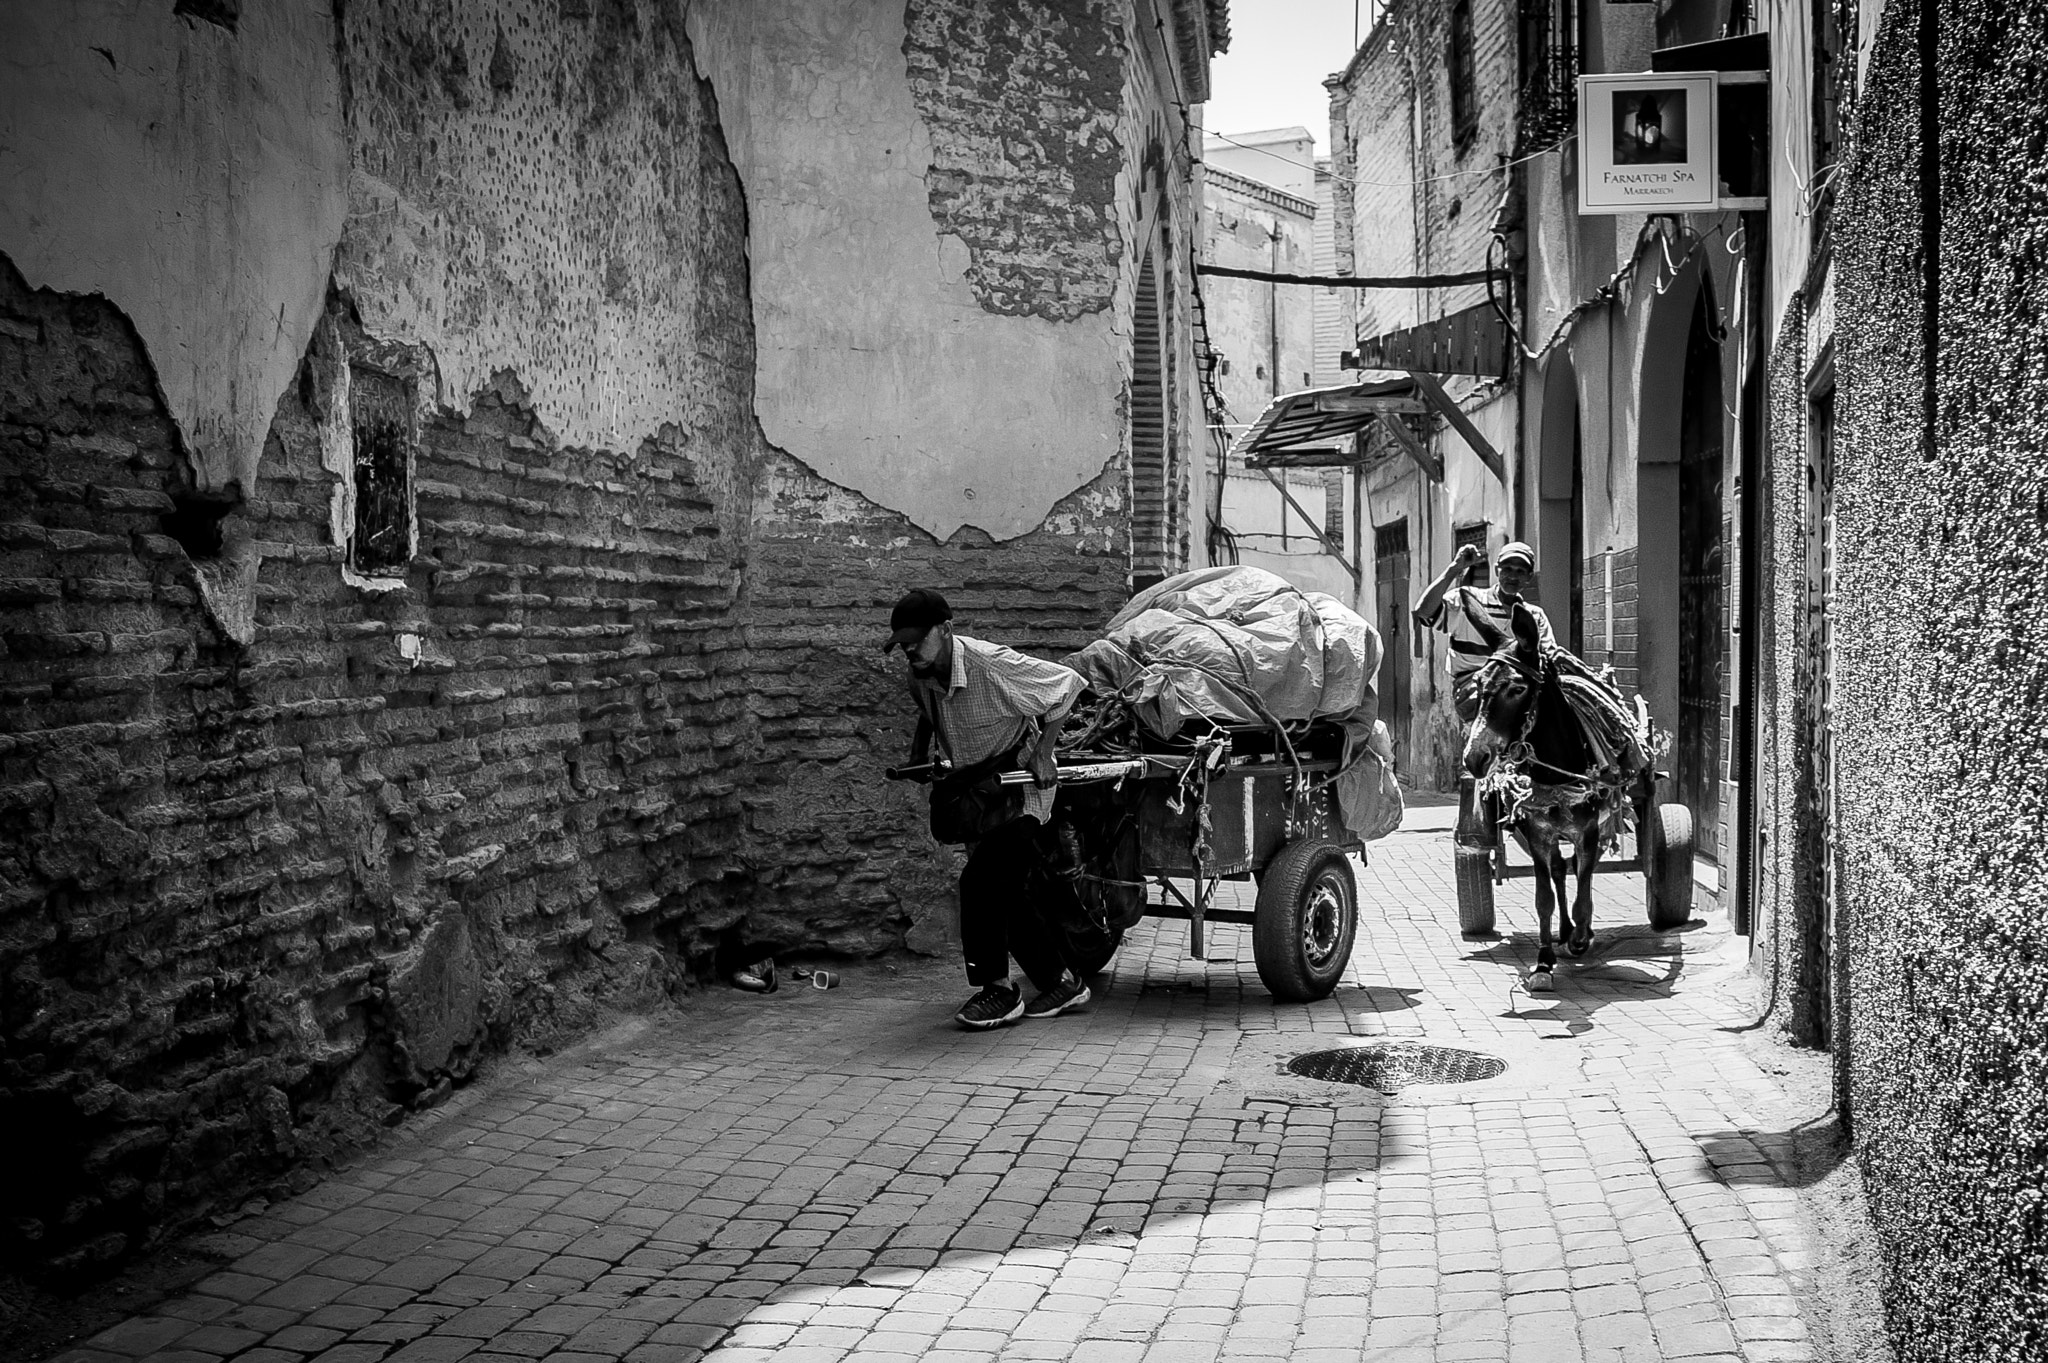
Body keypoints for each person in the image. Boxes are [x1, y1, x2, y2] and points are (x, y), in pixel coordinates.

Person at [885, 588, 1114, 1030]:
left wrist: (1045, 753)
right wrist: (920, 755)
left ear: (946, 630)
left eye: (916, 639)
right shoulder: (921, 672)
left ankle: (998, 990)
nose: (909, 650)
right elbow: (928, 711)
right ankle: (1062, 981)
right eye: (902, 643)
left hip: (1021, 788)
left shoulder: (991, 665)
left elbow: (1067, 686)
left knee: (980, 882)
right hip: (978, 792)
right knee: (1007, 889)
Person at [1412, 539, 1556, 725]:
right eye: (1507, 569)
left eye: (1520, 571)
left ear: (1529, 577)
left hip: (1518, 690)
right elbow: (1424, 612)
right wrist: (1454, 569)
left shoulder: (1534, 616)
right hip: (1473, 687)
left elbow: (1548, 657)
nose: (1513, 576)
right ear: (1497, 570)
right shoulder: (1467, 599)